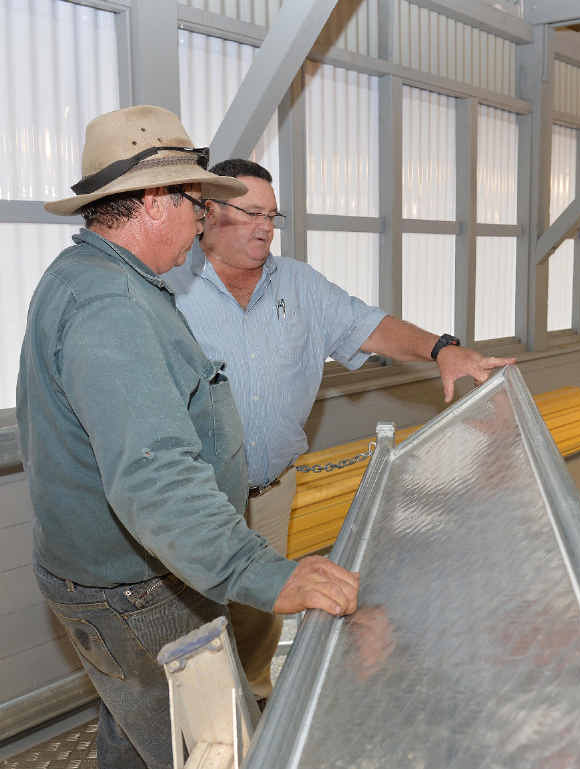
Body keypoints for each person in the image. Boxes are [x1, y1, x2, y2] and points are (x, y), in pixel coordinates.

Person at [18, 106, 360, 769]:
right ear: (152, 201)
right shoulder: (112, 307)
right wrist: (262, 573)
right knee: (209, 745)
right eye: (195, 201)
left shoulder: (92, 278)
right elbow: (155, 475)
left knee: (137, 728)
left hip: (117, 577)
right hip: (136, 590)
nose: (205, 218)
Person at [164, 158, 514, 698]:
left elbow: (368, 326)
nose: (265, 227)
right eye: (251, 213)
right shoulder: (166, 287)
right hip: (194, 499)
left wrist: (442, 348)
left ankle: (255, 701)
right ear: (207, 214)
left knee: (258, 615)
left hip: (270, 491)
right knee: (186, 623)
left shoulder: (299, 285)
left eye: (273, 216)